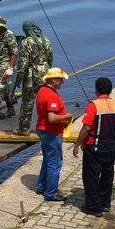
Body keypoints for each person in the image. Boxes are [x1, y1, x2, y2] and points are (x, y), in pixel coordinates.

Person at [72, 77, 115, 216]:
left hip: (94, 148)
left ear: (96, 90)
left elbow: (86, 128)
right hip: (110, 147)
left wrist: (77, 145)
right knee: (107, 176)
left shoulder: (93, 105)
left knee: (91, 177)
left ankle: (94, 207)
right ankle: (105, 203)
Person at [35, 67, 73, 202]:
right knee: (55, 162)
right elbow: (51, 118)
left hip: (43, 130)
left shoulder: (42, 90)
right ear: (53, 80)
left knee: (47, 159)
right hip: (51, 132)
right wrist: (67, 116)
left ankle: (41, 186)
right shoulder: (51, 95)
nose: (62, 82)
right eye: (60, 80)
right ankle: (51, 193)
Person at [14, 20, 54, 135]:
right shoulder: (46, 40)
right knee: (46, 100)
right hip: (46, 73)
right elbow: (50, 58)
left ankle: (23, 129)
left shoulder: (26, 42)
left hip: (32, 76)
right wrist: (47, 71)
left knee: (28, 101)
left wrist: (19, 80)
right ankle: (47, 126)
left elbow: (23, 64)